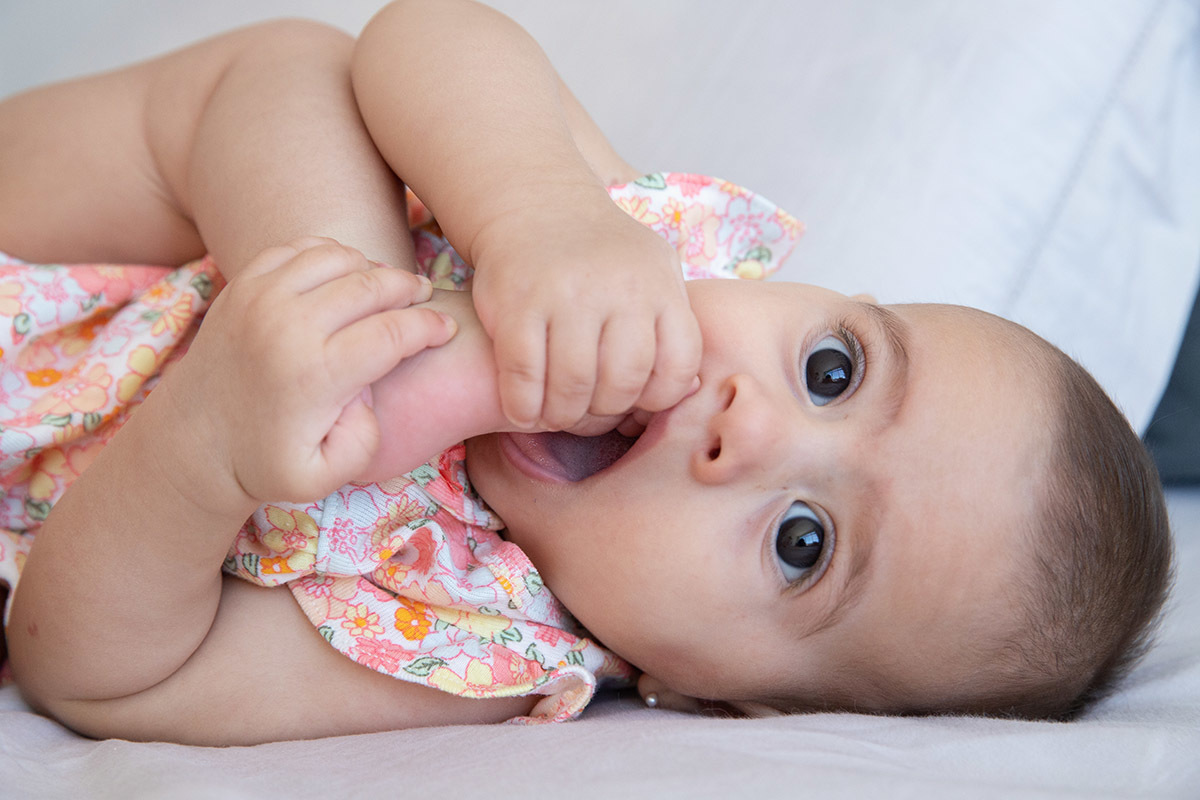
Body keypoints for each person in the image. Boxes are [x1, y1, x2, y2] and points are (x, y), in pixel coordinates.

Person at [0, 0, 1172, 745]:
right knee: (298, 70)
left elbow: (96, 675)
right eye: (832, 367)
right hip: (49, 247)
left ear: (714, 695)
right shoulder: (625, 248)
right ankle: (355, 303)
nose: (745, 426)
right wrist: (531, 212)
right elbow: (425, 29)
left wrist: (209, 445)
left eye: (802, 541)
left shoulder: (476, 644)